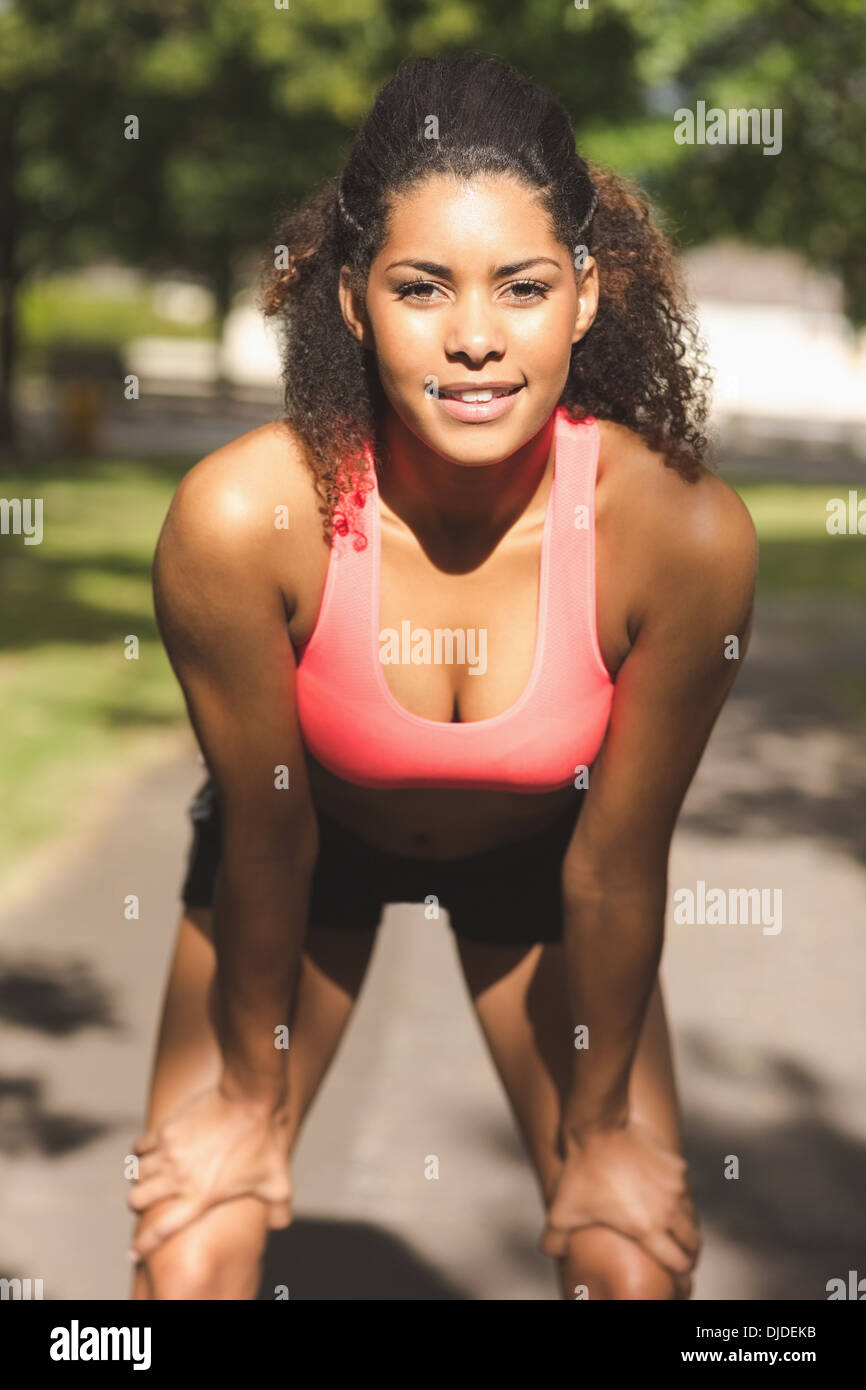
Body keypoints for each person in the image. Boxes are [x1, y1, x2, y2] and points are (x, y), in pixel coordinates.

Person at [128, 54, 757, 1301]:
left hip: (547, 862)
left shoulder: (680, 535)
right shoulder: (243, 515)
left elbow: (617, 859)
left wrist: (602, 1135)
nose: (474, 338)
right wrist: (248, 1106)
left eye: (520, 288)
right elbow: (265, 835)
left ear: (583, 294)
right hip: (306, 853)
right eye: (422, 287)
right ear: (355, 300)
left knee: (630, 1264)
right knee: (193, 1248)